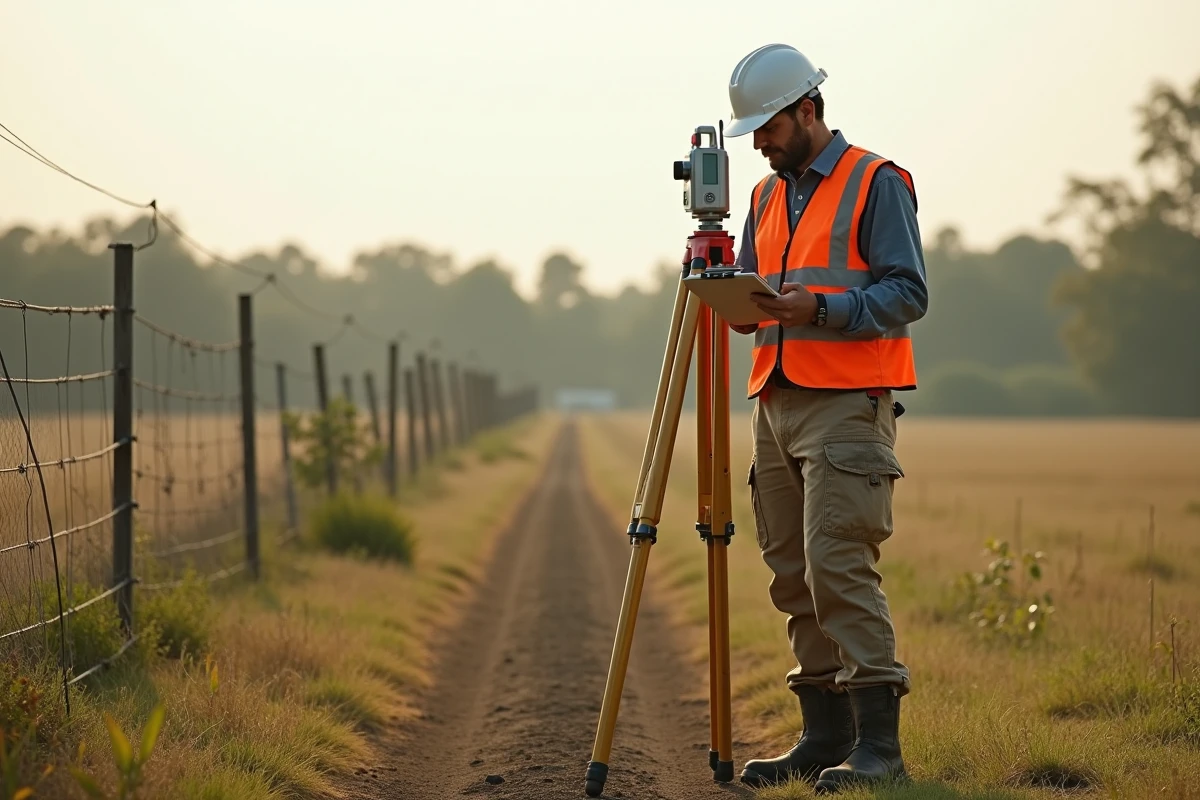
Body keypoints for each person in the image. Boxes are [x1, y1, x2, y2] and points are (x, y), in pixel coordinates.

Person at [720, 43, 928, 794]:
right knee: (791, 574)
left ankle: (880, 748)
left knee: (839, 564)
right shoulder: (765, 197)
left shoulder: (876, 181)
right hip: (773, 396)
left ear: (807, 109)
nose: (761, 144)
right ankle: (823, 734)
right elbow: (756, 292)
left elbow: (908, 293)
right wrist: (727, 295)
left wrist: (824, 309)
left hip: (846, 402)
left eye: (768, 128)